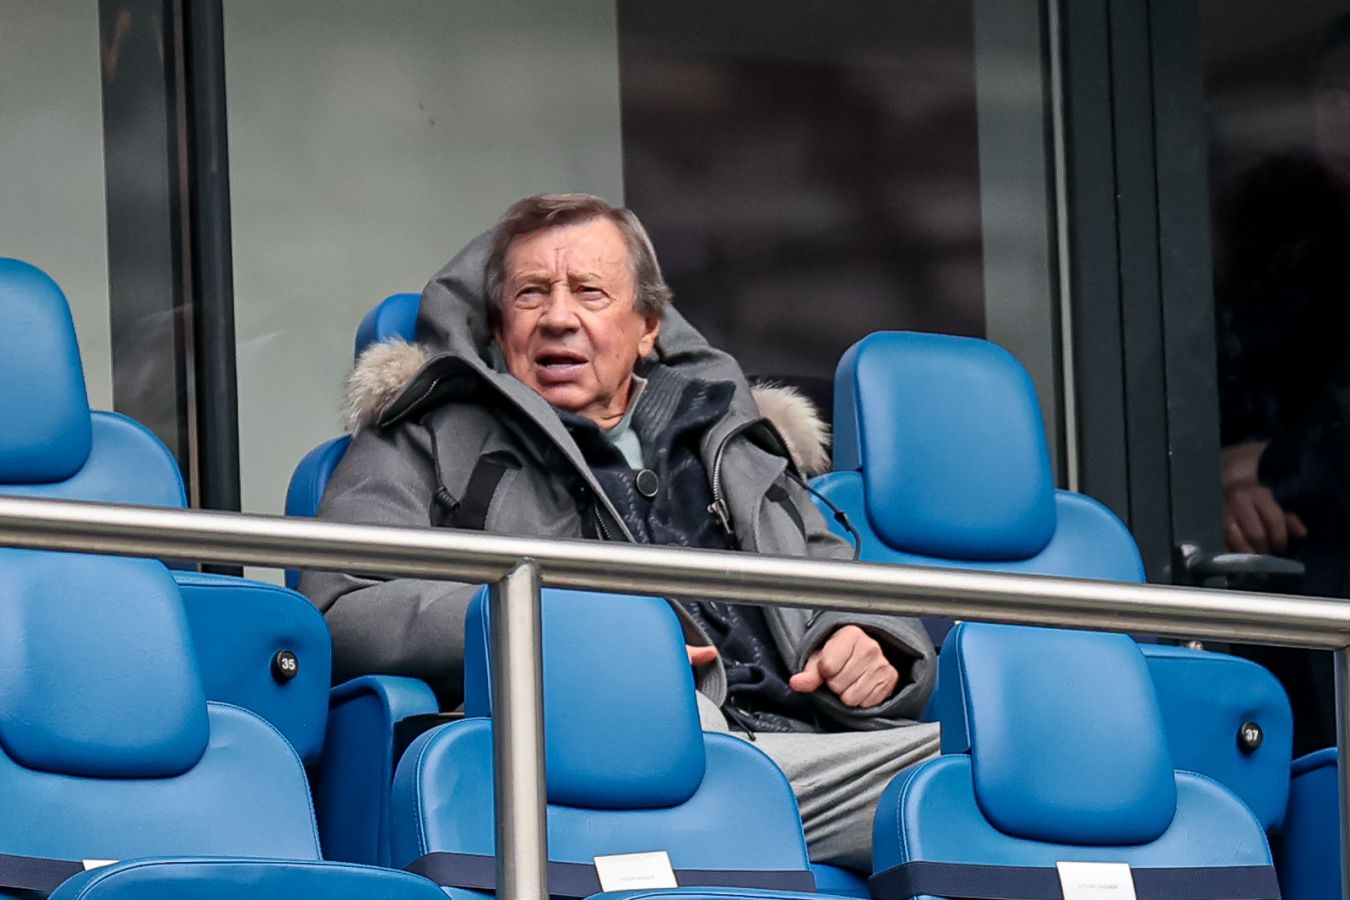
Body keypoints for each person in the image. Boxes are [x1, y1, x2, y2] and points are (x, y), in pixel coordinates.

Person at [301, 193, 939, 869]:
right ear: (498, 326)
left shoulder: (736, 438)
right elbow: (341, 608)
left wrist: (867, 641)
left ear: (647, 327)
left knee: (982, 769)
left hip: (808, 757)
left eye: (589, 292)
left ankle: (723, 835)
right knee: (683, 730)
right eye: (530, 294)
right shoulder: (428, 432)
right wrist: (553, 625)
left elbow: (847, 583)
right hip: (600, 752)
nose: (557, 318)